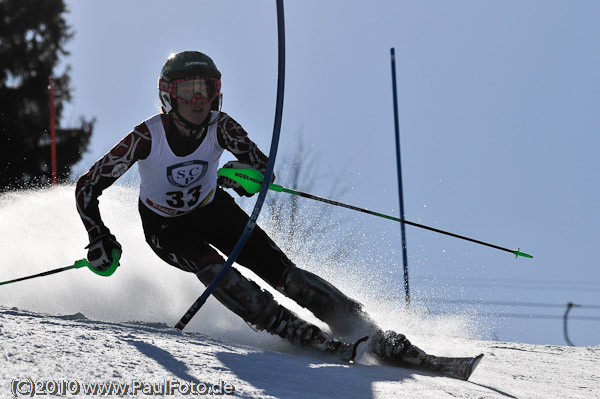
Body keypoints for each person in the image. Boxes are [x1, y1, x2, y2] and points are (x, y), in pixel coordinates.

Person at [75, 51, 481, 380]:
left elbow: (261, 166)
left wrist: (245, 178)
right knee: (216, 269)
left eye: (208, 89)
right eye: (188, 90)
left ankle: (365, 330)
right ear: (168, 95)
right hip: (165, 226)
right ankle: (287, 328)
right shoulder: (148, 136)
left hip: (213, 209)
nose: (199, 100)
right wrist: (99, 236)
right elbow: (87, 186)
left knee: (287, 274)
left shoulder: (221, 126)